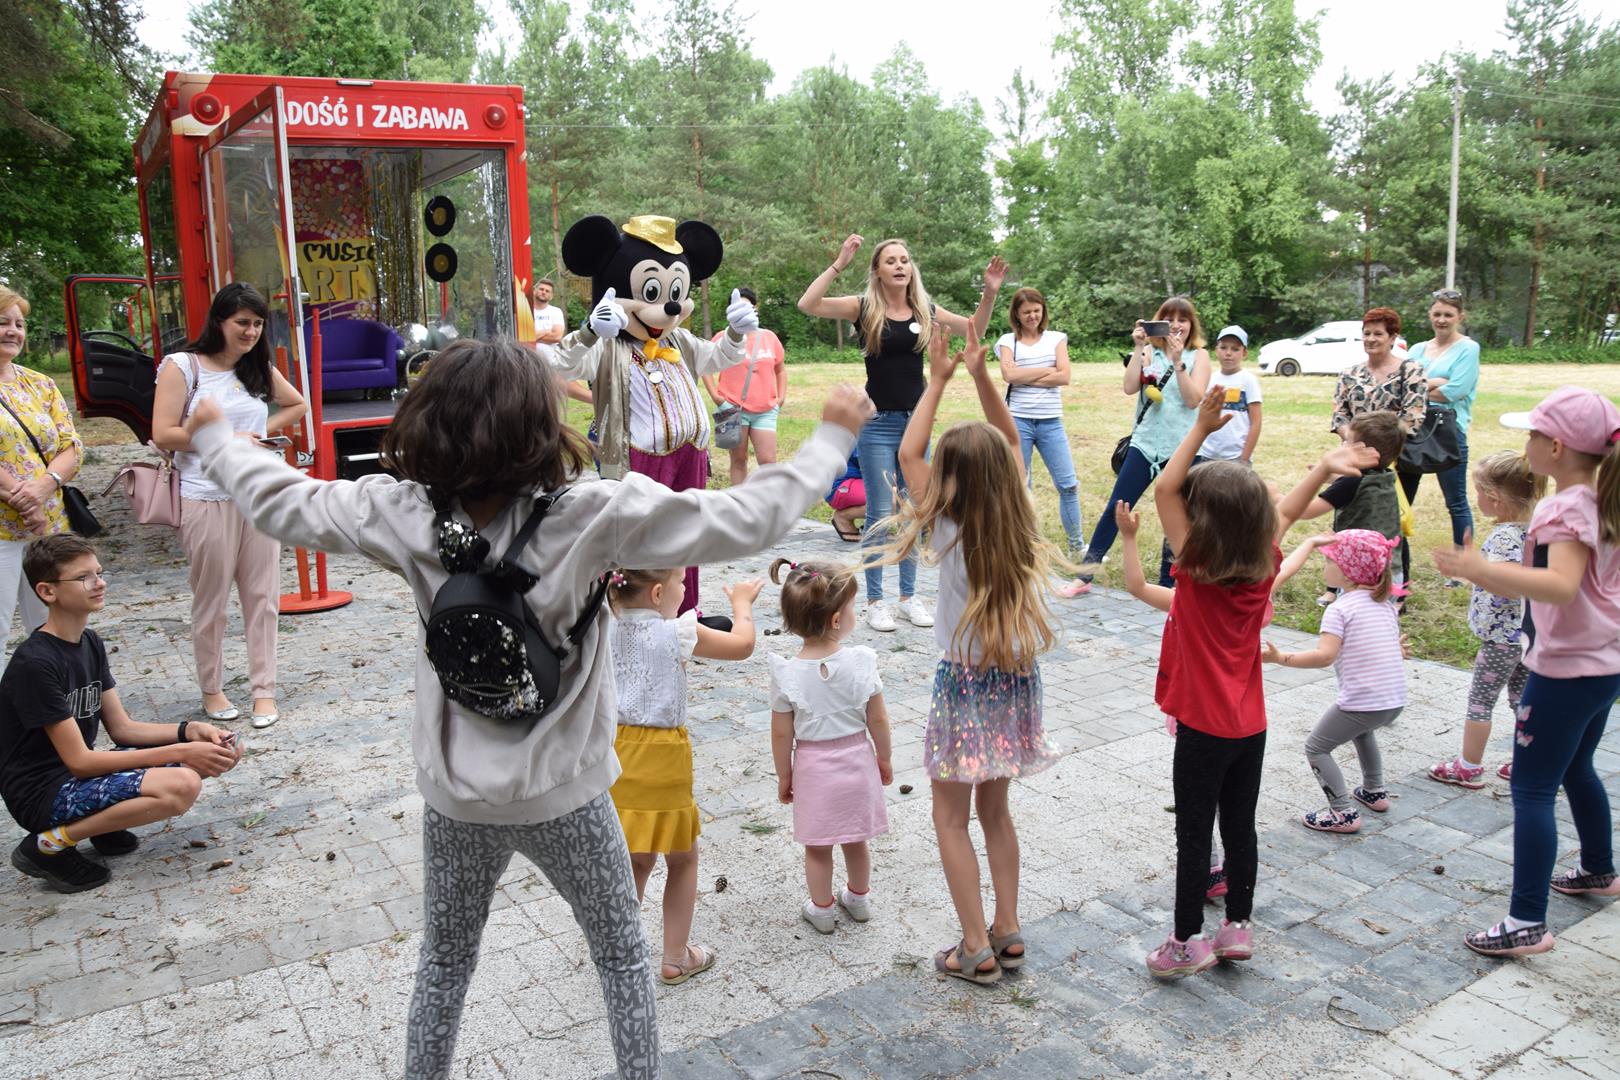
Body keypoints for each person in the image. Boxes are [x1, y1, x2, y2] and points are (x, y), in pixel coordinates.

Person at [181, 336, 873, 1077]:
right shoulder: (593, 515)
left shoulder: (403, 513)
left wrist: (217, 437)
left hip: (456, 798)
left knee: (444, 965)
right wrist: (831, 436)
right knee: (619, 961)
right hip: (566, 795)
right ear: (541, 425)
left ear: (427, 419)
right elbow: (745, 520)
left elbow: (281, 503)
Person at [1116, 386, 1379, 978]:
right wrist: (1320, 468)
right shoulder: (1263, 568)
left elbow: (1163, 489)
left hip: (1203, 731)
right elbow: (1284, 513)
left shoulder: (1197, 574)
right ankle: (1237, 928)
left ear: (1202, 521)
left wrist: (1201, 428)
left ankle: (1186, 941)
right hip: (1250, 728)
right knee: (1239, 828)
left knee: (1194, 836)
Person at [875, 322, 1061, 986]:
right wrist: (983, 376)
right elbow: (1010, 441)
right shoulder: (1021, 510)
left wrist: (939, 380)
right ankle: (1007, 929)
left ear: (951, 480)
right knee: (996, 812)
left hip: (964, 684)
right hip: (1016, 679)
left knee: (950, 818)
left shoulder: (945, 520)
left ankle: (975, 945)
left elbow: (907, 452)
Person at [1434, 386, 1620, 958]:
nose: (1526, 444)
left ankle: (1526, 922)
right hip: (1606, 662)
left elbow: (1561, 586)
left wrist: (1481, 570)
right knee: (1578, 767)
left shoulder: (1565, 507)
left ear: (1557, 448)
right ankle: (1599, 870)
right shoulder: (1601, 497)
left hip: (1565, 669)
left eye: (1532, 435)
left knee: (1532, 789)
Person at [1, 535, 240, 893]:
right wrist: (181, 753)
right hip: (42, 792)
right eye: (85, 578)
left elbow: (123, 729)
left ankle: (104, 825)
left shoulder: (90, 642)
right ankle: (47, 847)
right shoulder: (35, 664)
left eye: (99, 572)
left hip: (75, 777)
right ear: (48, 592)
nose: (100, 583)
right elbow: (80, 761)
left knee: (222, 750)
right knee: (181, 785)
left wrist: (190, 732)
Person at [797, 234, 1006, 632]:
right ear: (877, 270)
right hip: (876, 425)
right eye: (890, 260)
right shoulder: (863, 308)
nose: (899, 265)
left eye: (905, 260)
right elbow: (808, 305)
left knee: (914, 512)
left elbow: (974, 328)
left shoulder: (924, 309)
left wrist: (990, 293)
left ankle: (909, 598)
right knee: (880, 515)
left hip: (916, 423)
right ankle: (876, 601)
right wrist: (840, 262)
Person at [151, 283, 307, 729]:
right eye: (243, 322)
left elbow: (296, 404)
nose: (251, 332)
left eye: (258, 324)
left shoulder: (255, 367)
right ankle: (212, 688)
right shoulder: (184, 366)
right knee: (212, 598)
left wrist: (260, 433)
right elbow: (163, 433)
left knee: (263, 597)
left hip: (256, 494)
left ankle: (264, 691)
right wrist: (221, 439)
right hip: (205, 495)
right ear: (220, 320)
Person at [606, 567, 762, 985]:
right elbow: (743, 645)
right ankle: (676, 957)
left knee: (635, 857)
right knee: (683, 857)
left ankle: (618, 952)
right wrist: (742, 604)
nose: (683, 591)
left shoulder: (602, 628)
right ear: (659, 593)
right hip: (665, 758)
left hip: (615, 757)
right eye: (681, 584)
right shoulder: (678, 632)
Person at [767, 558, 892, 934]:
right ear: (838, 620)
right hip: (857, 762)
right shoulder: (861, 662)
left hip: (813, 768)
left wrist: (784, 776)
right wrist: (883, 759)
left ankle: (821, 909)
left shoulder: (786, 673)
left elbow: (780, 735)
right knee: (856, 839)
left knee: (818, 846)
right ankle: (858, 897)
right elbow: (880, 720)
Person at [1262, 530, 1406, 834]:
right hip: (1392, 700)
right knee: (1363, 731)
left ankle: (1342, 812)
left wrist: (1280, 658)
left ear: (1346, 571)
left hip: (1363, 700)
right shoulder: (1385, 605)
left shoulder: (1340, 609)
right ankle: (1374, 791)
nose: (1324, 567)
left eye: (1329, 561)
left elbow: (1324, 656)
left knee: (1316, 747)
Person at [1077, 296, 1212, 589]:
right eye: (1170, 319)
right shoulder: (1149, 351)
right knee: (1118, 506)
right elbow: (1128, 388)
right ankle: (1086, 574)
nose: (1177, 325)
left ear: (1192, 324)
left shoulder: (1200, 357)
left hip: (1183, 448)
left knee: (1177, 515)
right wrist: (1139, 347)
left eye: (1183, 320)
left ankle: (1168, 584)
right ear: (1159, 323)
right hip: (1145, 444)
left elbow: (1192, 401)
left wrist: (1178, 363)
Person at [1430, 451, 1538, 789]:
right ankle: (1529, 763)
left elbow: (1508, 583)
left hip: (1500, 639)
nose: (1475, 498)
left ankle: (1469, 766)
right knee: (1523, 702)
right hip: (1526, 636)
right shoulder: (1536, 528)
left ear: (1493, 498)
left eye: (1478, 491)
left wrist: (1473, 570)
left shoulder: (1505, 537)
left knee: (1481, 701)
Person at [0, 287, 82, 652]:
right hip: (3, 529)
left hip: (47, 527)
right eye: (2, 322)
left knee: (52, 627)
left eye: (19, 323)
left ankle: (52, 706)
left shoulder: (40, 383)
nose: (13, 331)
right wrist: (24, 499)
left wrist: (44, 487)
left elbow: (71, 446)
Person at [995, 287, 1085, 596]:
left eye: (1037, 310)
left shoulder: (1056, 338)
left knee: (1068, 484)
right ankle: (1026, 545)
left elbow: (1064, 376)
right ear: (1016, 315)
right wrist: (1047, 371)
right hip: (1017, 420)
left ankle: (1077, 547)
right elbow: (1009, 376)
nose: (1033, 316)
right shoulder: (1007, 342)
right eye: (1026, 311)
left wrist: (1026, 374)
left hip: (1050, 422)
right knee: (1022, 486)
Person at [1399, 289, 1481, 581]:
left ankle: (1463, 567)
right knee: (1401, 502)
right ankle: (1396, 562)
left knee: (1456, 501)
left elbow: (1454, 391)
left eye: (1448, 314)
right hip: (1413, 430)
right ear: (1430, 315)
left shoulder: (1468, 349)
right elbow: (1403, 385)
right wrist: (1434, 383)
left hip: (1449, 432)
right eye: (1437, 314)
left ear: (1460, 317)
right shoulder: (1418, 349)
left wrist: (1422, 386)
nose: (1442, 320)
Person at [1291, 410, 1406, 604]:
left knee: (1352, 628)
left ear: (1364, 451)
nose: (1343, 445)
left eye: (1348, 442)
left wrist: (1277, 498)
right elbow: (1361, 489)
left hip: (1360, 579)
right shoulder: (1385, 476)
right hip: (1390, 573)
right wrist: (1330, 478)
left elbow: (1304, 511)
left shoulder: (1350, 483)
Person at [704, 287, 787, 486]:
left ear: (755, 308)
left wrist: (780, 398)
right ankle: (739, 505)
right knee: (738, 460)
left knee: (769, 462)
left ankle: (767, 505)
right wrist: (717, 398)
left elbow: (781, 369)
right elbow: (706, 368)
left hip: (765, 410)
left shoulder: (769, 337)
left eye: (747, 306)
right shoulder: (722, 339)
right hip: (731, 410)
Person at [1329, 307, 1426, 443]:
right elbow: (1340, 417)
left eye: (1378, 334)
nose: (1371, 339)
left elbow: (1413, 416)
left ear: (1392, 338)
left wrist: (1382, 445)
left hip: (1397, 453)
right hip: (1355, 452)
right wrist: (1355, 440)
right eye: (1367, 333)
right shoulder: (1349, 375)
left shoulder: (1411, 371)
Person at [533, 277, 590, 403]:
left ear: (551, 296)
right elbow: (523, 337)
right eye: (541, 289)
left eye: (547, 291)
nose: (543, 292)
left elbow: (557, 337)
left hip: (554, 358)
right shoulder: (526, 311)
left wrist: (535, 334)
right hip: (531, 359)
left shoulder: (555, 312)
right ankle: (598, 400)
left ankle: (598, 400)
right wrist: (547, 332)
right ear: (535, 291)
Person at [826, 451, 865, 542]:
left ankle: (872, 525)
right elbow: (876, 471)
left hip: (854, 482)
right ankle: (843, 517)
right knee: (896, 499)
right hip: (840, 487)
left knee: (899, 494)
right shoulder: (865, 438)